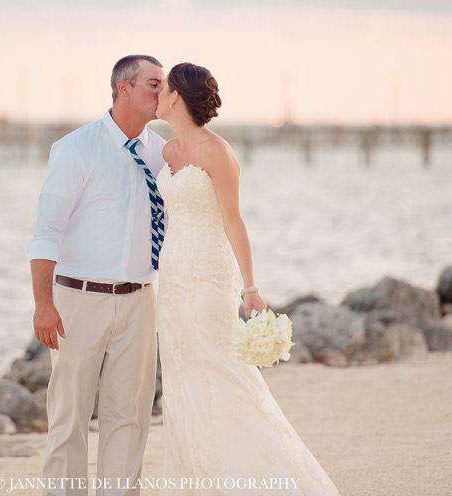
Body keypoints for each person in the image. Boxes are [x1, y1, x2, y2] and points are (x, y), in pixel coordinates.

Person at [154, 62, 342, 495]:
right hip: (173, 281)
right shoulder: (167, 152)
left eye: (164, 89)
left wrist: (251, 289)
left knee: (223, 376)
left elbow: (234, 222)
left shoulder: (217, 153)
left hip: (207, 280)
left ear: (177, 97)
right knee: (182, 383)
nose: (158, 96)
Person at [28, 54, 166, 496]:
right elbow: (47, 231)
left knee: (130, 416)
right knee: (69, 417)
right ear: (123, 87)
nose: (162, 92)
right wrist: (43, 305)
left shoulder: (162, 154)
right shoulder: (75, 149)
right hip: (78, 301)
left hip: (141, 300)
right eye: (153, 83)